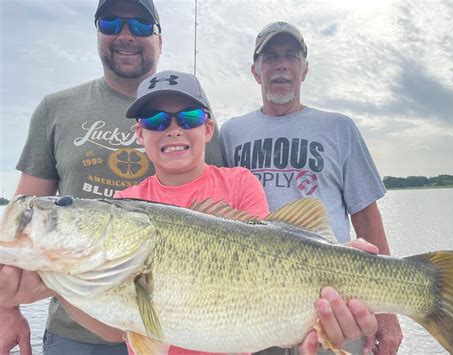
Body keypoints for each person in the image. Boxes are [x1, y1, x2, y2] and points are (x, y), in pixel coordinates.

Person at [47, 70, 378, 355]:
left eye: (188, 118)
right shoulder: (126, 201)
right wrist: (56, 278)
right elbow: (113, 327)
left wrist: (336, 277)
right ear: (140, 134)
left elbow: (273, 252)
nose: (173, 129)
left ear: (207, 129)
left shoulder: (239, 183)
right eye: (156, 120)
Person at [0, 1, 221, 354]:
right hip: (75, 329)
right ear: (98, 34)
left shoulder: (194, 112)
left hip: (173, 325)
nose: (126, 35)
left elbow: (223, 220)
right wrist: (6, 309)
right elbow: (22, 220)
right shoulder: (55, 109)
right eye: (111, 23)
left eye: (141, 26)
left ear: (160, 41)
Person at [220, 22, 403, 354]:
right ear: (255, 71)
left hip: (333, 300)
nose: (281, 65)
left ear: (305, 69)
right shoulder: (230, 132)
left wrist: (387, 317)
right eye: (270, 57)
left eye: (291, 55)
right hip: (252, 308)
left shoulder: (339, 128)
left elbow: (365, 215)